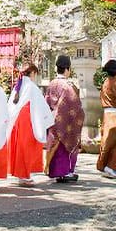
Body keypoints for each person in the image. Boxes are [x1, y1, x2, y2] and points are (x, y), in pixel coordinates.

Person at [7, 64, 54, 186]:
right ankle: (24, 175)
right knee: (27, 147)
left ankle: (21, 174)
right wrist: (49, 117)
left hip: (18, 119)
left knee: (20, 146)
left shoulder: (19, 86)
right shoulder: (32, 87)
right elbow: (41, 106)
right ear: (32, 73)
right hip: (28, 119)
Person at [44, 55, 85, 183]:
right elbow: (75, 105)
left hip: (52, 120)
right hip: (66, 121)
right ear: (67, 69)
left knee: (55, 147)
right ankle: (66, 172)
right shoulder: (68, 86)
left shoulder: (52, 84)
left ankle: (55, 172)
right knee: (65, 147)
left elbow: (47, 101)